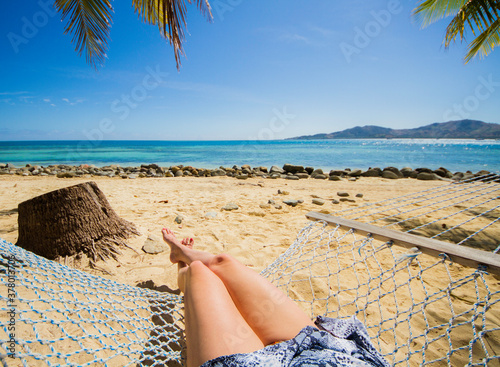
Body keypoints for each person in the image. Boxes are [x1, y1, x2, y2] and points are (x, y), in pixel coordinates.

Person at [162, 228, 389, 367]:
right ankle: (182, 253)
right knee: (223, 262)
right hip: (326, 350)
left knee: (199, 273)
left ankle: (182, 268)